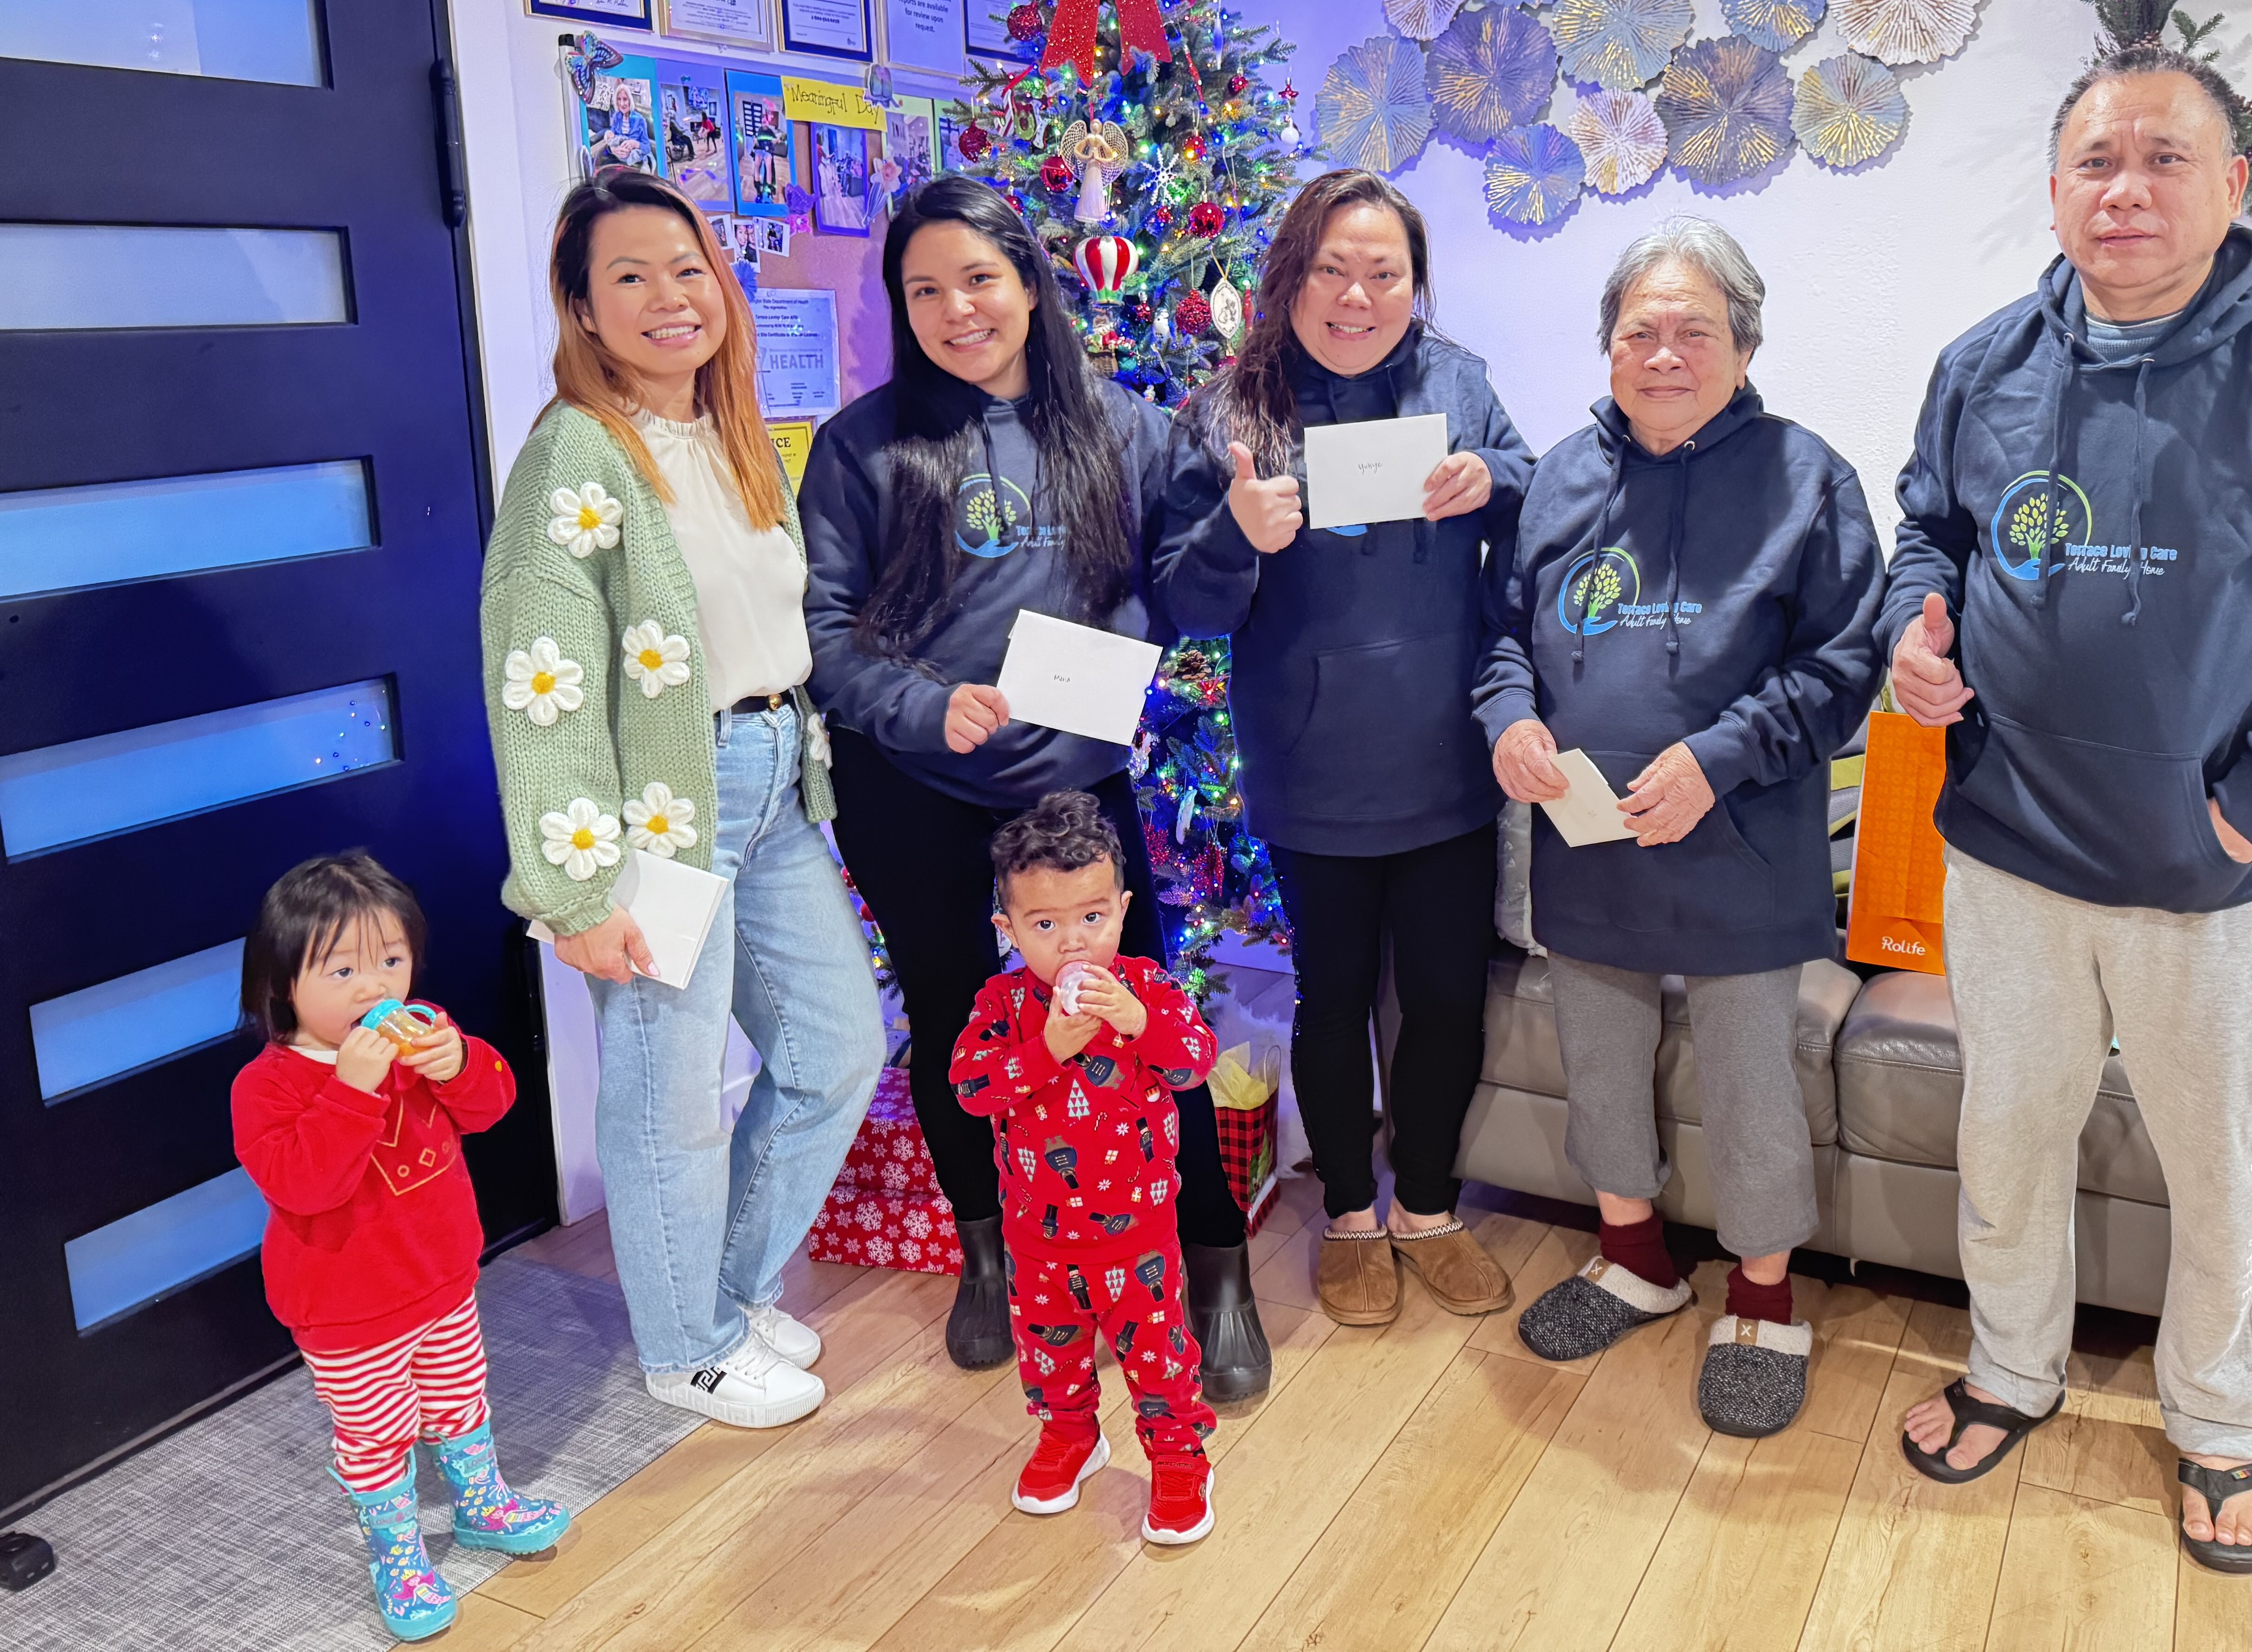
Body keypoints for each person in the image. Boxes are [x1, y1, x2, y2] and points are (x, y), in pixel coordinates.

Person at [1885, 45, 2252, 1575]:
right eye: (2095, 162)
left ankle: (2212, 1421)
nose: (2124, 191)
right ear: (2054, 188)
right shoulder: (1985, 361)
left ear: (2234, 184)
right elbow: (1925, 523)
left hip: (2216, 869)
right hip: (2011, 854)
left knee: (2223, 1164)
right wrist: (1914, 622)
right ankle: (2011, 1369)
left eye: (2163, 160)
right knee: (2007, 1139)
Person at [800, 175, 1268, 1397]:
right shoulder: (862, 445)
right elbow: (829, 635)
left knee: (1144, 1012)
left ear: (1030, 284)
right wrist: (923, 706)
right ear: (901, 305)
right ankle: (988, 1251)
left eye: (981, 280)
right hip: (914, 787)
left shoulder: (1125, 429)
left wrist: (1247, 528)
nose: (958, 309)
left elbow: (1200, 596)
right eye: (927, 289)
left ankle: (1214, 1266)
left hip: (1073, 788)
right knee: (958, 1027)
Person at [480, 169, 885, 1432]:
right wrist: (577, 889)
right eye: (630, 277)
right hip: (662, 806)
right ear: (583, 309)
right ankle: (686, 1346)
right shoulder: (575, 456)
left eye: (688, 268)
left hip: (772, 782)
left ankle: (723, 1288)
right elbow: (535, 683)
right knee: (669, 1084)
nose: (669, 297)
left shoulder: (731, 433)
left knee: (835, 1049)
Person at [1479, 218, 1881, 1438]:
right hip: (1586, 838)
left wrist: (1718, 759)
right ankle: (1634, 1256)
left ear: (1745, 344)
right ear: (1608, 349)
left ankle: (1765, 1294)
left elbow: (1845, 660)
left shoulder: (1810, 479)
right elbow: (1502, 630)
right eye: (1637, 332)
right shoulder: (1559, 475)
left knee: (1755, 1077)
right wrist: (1507, 717)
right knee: (1596, 1056)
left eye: (1691, 331)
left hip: (1739, 845)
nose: (1662, 353)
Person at [1157, 169, 1532, 1328]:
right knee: (1328, 1004)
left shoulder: (1458, 381)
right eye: (1332, 268)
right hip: (1311, 766)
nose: (1357, 295)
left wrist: (1494, 478)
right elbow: (1179, 602)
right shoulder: (1231, 410)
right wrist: (1237, 533)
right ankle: (1353, 1213)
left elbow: (1536, 497)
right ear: (1291, 275)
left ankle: (1428, 1203)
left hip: (1445, 756)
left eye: (1385, 273)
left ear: (1416, 287)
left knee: (1444, 1001)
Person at [231, 852, 569, 1643]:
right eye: (341, 968)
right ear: (283, 985)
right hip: (345, 1311)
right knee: (377, 1434)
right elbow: (304, 1186)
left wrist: (460, 1062)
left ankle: (481, 1503)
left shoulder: (424, 1034)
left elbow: (492, 1106)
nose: (374, 987)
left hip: (443, 1279)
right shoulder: (268, 1086)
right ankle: (398, 1553)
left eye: (390, 961)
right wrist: (350, 1091)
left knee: (460, 1397)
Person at [953, 791, 1222, 1546]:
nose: (1073, 944)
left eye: (1092, 918)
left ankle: (1178, 1459)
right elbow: (972, 1089)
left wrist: (1140, 1024)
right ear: (1008, 929)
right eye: (1045, 925)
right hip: (1037, 1242)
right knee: (1051, 1358)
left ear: (1124, 908)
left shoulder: (1147, 989)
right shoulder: (1003, 1005)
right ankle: (1071, 1436)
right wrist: (1048, 1049)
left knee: (1160, 1360)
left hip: (1138, 1240)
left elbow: (1194, 1063)